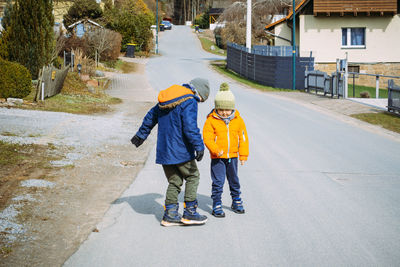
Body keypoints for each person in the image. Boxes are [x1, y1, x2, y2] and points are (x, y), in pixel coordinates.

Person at [131, 78, 210, 226]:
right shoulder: (189, 100)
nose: (198, 102)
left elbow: (151, 116)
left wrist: (141, 135)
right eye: (201, 100)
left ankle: (170, 215)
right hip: (180, 150)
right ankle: (190, 213)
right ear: (198, 93)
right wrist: (199, 146)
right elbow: (190, 126)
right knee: (193, 176)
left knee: (175, 180)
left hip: (164, 151)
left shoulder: (168, 98)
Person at [202, 82, 249, 218]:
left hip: (233, 157)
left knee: (234, 180)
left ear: (232, 108)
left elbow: (243, 138)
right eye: (221, 109)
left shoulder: (238, 120)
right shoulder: (211, 121)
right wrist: (216, 150)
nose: (224, 112)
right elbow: (208, 138)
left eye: (227, 109)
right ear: (216, 108)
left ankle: (236, 201)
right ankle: (217, 203)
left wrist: (243, 155)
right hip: (218, 158)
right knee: (218, 181)